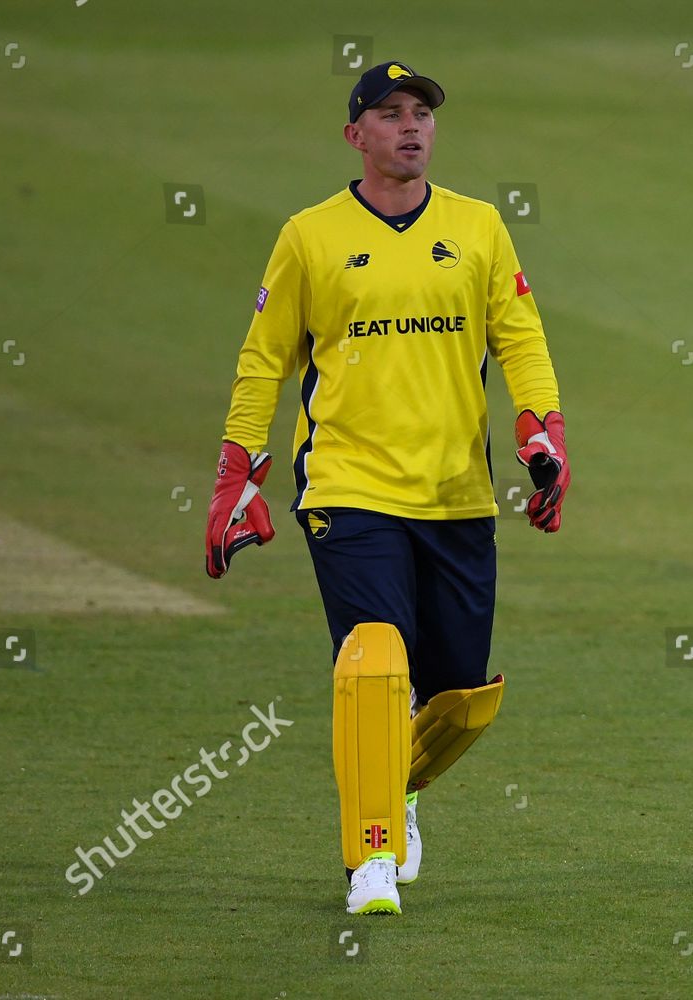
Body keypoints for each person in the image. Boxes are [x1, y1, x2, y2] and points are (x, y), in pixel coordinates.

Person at [202, 60, 568, 915]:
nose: (412, 127)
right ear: (355, 134)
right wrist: (234, 473)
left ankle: (393, 784)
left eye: (423, 115)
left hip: (455, 493)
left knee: (459, 698)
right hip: (348, 485)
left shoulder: (478, 228)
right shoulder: (310, 236)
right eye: (391, 113)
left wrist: (542, 430)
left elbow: (521, 338)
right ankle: (369, 855)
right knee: (373, 657)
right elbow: (264, 362)